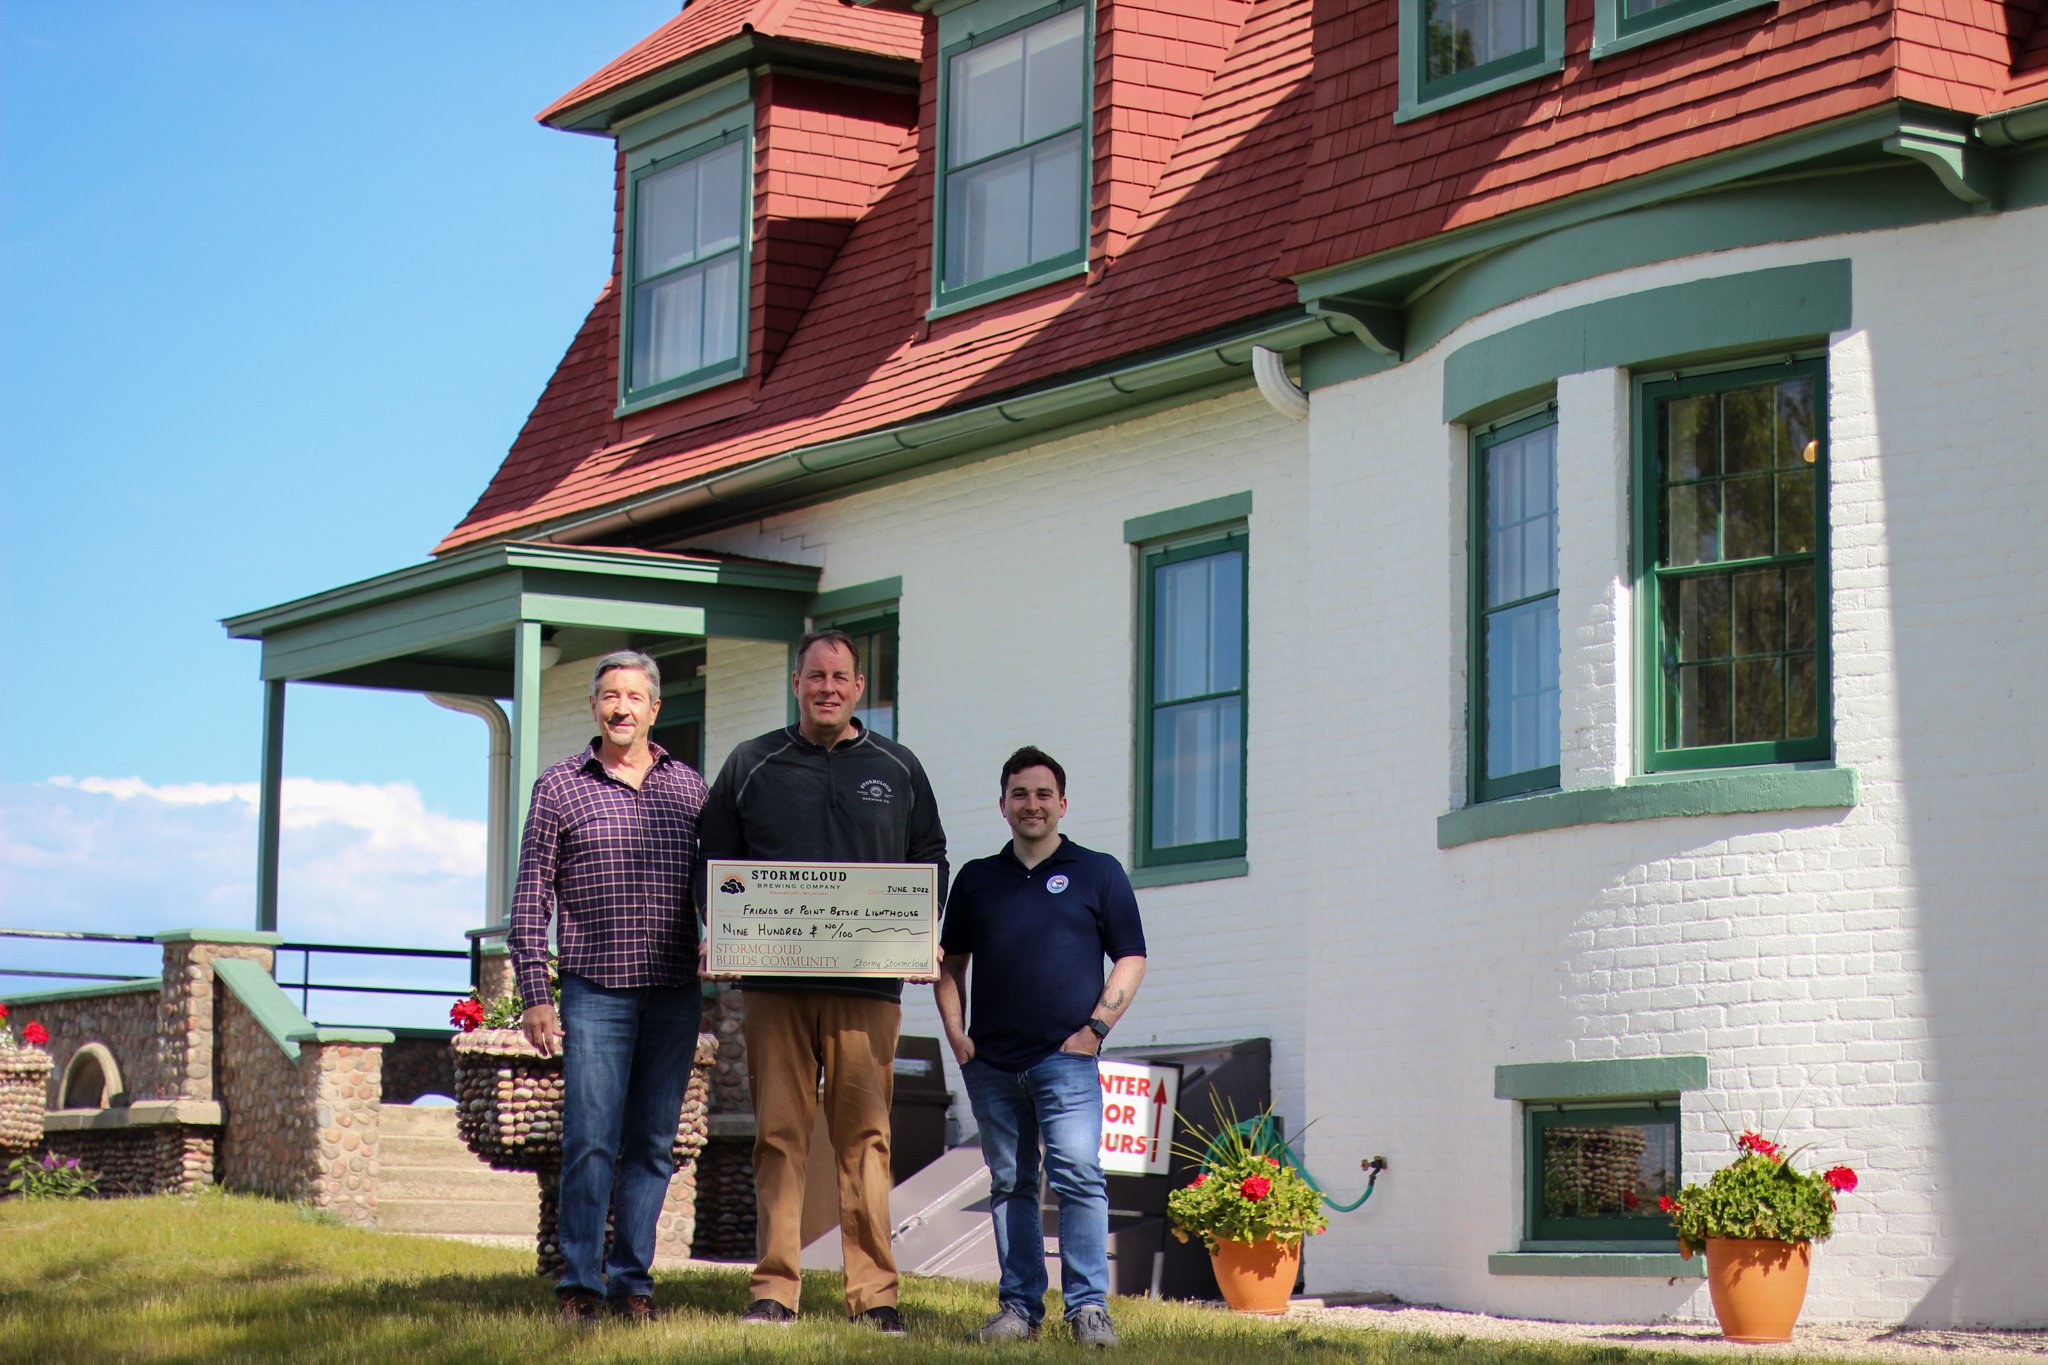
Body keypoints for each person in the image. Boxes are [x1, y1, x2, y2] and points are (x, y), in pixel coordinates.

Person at [697, 628, 948, 1332]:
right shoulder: (752, 762)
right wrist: (716, 927)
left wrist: (922, 926)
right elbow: (714, 854)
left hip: (868, 988)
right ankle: (774, 1288)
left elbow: (929, 854)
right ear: (797, 683)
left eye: (840, 677)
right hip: (775, 985)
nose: (828, 688)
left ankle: (875, 1295)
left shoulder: (898, 767)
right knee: (779, 1135)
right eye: (815, 676)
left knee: (864, 1138)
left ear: (859, 687)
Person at [509, 650, 709, 1325]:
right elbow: (530, 896)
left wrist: (731, 936)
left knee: (653, 1141)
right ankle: (580, 1282)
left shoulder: (689, 788)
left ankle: (632, 1281)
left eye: (634, 695)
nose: (621, 706)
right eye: (609, 695)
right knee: (589, 1139)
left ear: (655, 707)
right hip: (594, 990)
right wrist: (536, 990)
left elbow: (720, 885)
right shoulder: (560, 786)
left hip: (675, 989)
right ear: (596, 706)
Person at [936, 746, 1147, 1349]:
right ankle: (1020, 1309)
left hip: (1067, 1058)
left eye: (1043, 794)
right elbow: (950, 964)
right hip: (994, 1063)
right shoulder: (978, 878)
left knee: (1079, 1175)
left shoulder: (1098, 871)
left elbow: (1131, 956)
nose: (1033, 805)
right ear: (1003, 805)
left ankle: (1087, 1310)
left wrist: (1096, 1031)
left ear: (1062, 803)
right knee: (1011, 1183)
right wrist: (958, 1036)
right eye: (1020, 795)